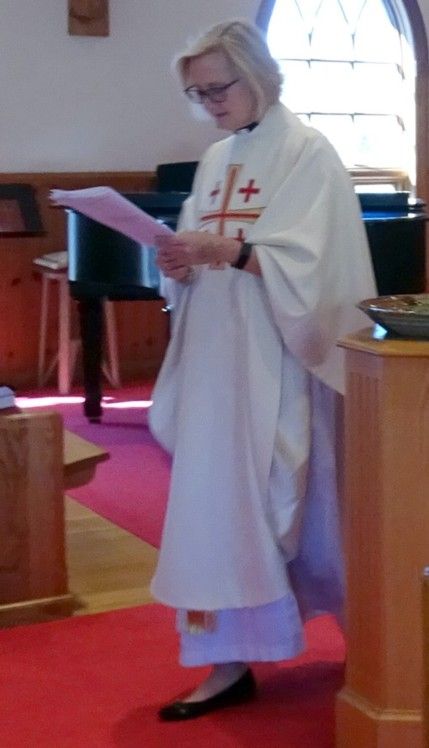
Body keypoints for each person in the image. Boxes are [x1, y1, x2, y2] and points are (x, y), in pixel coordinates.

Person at [148, 18, 376, 721]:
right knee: (217, 508)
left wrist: (234, 253)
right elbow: (196, 245)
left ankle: (376, 655)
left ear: (257, 76)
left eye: (217, 89)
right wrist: (177, 263)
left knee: (311, 507)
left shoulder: (308, 153)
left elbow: (316, 267)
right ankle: (227, 661)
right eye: (197, 94)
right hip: (217, 362)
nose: (209, 104)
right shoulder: (215, 158)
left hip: (284, 358)